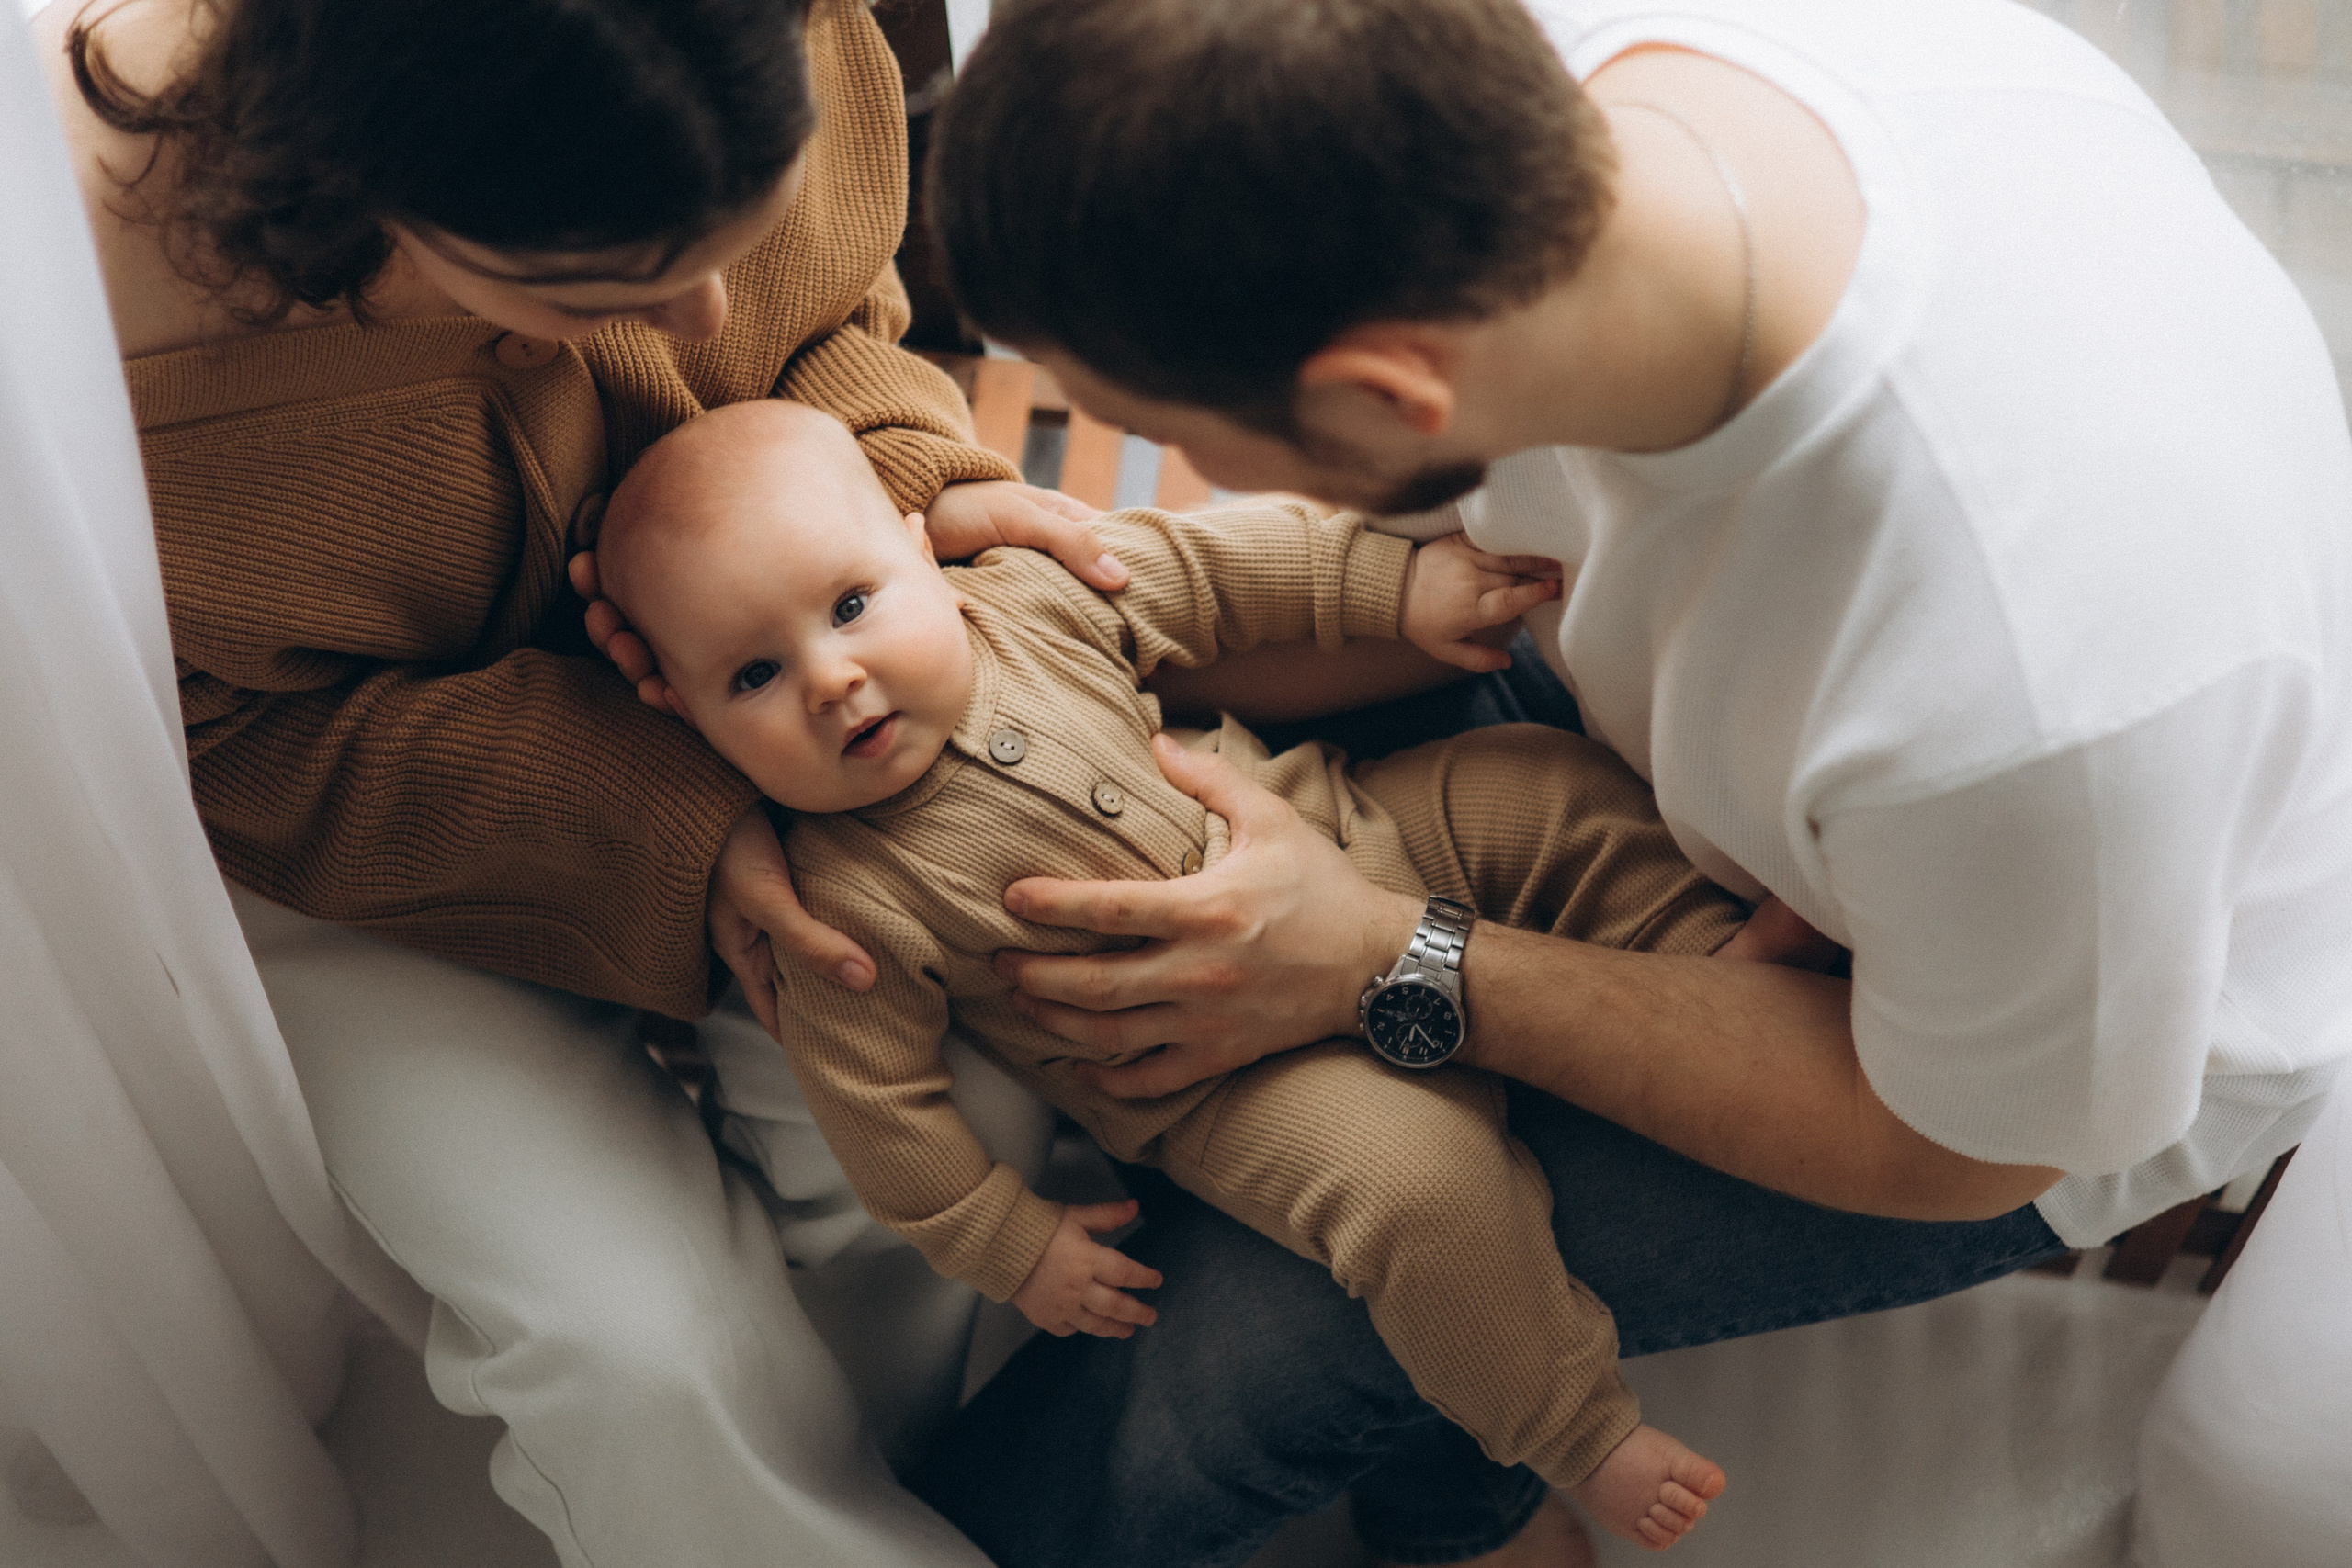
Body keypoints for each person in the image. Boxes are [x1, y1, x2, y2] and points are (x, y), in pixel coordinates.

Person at [899, 0, 2352, 1562]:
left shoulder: (2025, 688)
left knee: (1263, 1316)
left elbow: (1962, 1145)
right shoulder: (1598, 98)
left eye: (1175, 436)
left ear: (1395, 395)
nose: (1186, 473)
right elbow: (1381, 577)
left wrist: (1378, 960)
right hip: (1753, 759)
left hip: (2018, 1043)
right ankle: (1477, 1493)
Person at [33, 0, 1148, 1562]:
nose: (697, 323)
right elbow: (226, 741)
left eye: (719, 243)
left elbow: (827, 323)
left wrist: (893, 495)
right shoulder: (78, 331)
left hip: (771, 702)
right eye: (602, 283)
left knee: (960, 1116)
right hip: (355, 839)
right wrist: (667, 830)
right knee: (646, 1352)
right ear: (364, 192)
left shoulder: (743, 38)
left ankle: (878, 1481)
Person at [592, 398, 1750, 1547]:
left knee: (1539, 787)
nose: (831, 679)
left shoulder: (1030, 597)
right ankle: (1573, 1430)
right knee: (1424, 1192)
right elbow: (881, 1116)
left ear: (918, 549)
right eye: (753, 677)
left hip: (1346, 828)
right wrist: (1013, 1242)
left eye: (850, 607)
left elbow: (1218, 572)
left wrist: (1394, 591)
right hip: (1235, 1084)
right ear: (687, 718)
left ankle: (1714, 966)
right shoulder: (839, 902)